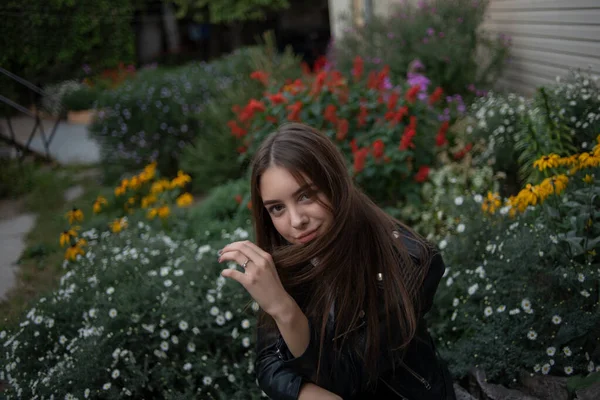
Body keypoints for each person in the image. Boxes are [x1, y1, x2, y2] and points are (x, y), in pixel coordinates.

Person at [218, 123, 456, 399]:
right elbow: (269, 364)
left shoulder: (411, 262)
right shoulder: (289, 255)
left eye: (306, 195)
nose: (296, 221)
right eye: (277, 208)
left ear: (334, 183)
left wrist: (284, 310)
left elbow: (347, 378)